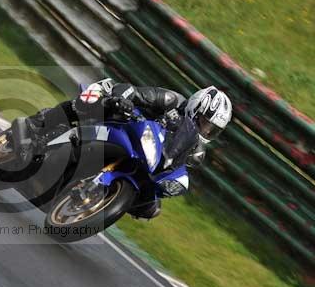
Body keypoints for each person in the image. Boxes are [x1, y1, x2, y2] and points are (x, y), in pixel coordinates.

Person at [16, 78, 232, 220]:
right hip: (123, 125)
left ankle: (96, 198)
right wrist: (124, 101)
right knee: (92, 99)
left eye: (213, 129)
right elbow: (134, 91)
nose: (206, 130)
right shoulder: (171, 100)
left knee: (151, 208)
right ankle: (38, 125)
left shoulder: (195, 148)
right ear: (196, 107)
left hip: (144, 159)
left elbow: (178, 164)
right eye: (205, 121)